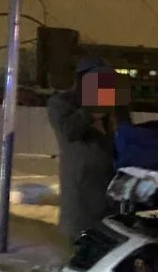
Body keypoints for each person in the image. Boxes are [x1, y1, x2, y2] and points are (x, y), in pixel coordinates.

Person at [47, 56, 118, 245]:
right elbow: (68, 130)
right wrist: (92, 111)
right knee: (80, 242)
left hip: (111, 186)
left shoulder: (113, 107)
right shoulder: (62, 103)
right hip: (82, 187)